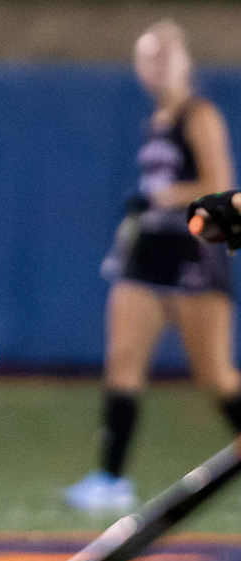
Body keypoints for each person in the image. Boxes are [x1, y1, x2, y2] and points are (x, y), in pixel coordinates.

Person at [65, 20, 241, 512]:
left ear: (185, 61)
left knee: (216, 376)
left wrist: (162, 197)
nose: (157, 66)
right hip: (149, 259)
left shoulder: (198, 114)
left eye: (167, 55)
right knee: (122, 362)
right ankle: (110, 477)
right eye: (148, 57)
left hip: (194, 259)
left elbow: (220, 184)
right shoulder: (155, 123)